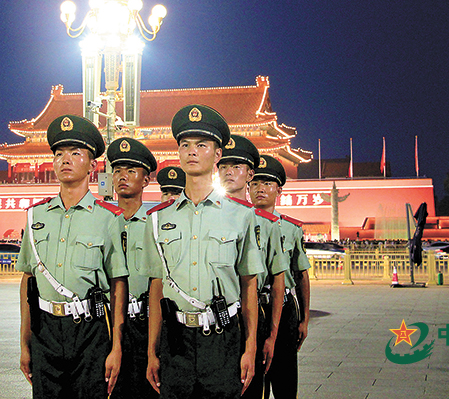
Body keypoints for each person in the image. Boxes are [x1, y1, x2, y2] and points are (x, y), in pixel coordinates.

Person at [143, 105, 265, 399]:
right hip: (176, 339)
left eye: (201, 145)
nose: (192, 152)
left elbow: (249, 284)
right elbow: (156, 286)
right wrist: (152, 351)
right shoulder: (158, 219)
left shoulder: (241, 216)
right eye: (185, 145)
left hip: (223, 339)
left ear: (217, 154)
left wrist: (250, 348)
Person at [16, 114, 128, 399]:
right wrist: (24, 342)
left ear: (92, 165)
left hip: (90, 331)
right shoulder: (35, 217)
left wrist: (116, 346)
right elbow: (28, 280)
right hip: (45, 330)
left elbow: (118, 285)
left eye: (75, 153)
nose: (65, 159)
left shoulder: (109, 218)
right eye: (59, 154)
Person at [219, 135, 287, 399]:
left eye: (236, 167)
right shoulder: (205, 218)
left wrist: (272, 335)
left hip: (252, 315)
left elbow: (278, 279)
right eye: (224, 166)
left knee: (251, 389)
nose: (228, 172)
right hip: (216, 319)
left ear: (249, 174)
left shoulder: (266, 224)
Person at [249, 154, 311, 399]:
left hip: (283, 309)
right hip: (251, 307)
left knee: (284, 378)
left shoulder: (291, 228)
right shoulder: (239, 224)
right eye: (255, 183)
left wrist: (304, 319)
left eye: (267, 184)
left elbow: (301, 274)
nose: (260, 189)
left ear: (279, 190)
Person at [106, 137, 159, 399]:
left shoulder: (156, 225)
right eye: (117, 171)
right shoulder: (102, 222)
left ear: (146, 180)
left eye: (130, 171)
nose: (122, 177)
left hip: (144, 323)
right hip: (106, 324)